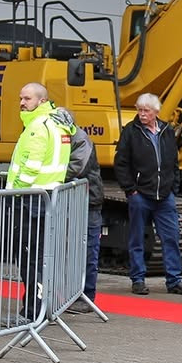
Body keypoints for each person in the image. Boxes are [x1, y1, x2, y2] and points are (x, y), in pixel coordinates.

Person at [4, 82, 72, 325]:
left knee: (29, 258)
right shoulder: (57, 124)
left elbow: (29, 168)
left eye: (28, 98)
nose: (22, 103)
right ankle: (45, 308)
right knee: (42, 256)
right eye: (21, 98)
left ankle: (32, 312)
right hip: (48, 198)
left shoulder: (37, 127)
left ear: (41, 101)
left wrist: (14, 193)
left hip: (32, 200)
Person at [114, 93, 182, 296]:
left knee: (171, 238)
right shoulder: (130, 132)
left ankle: (174, 280)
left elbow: (173, 162)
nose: (142, 114)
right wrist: (131, 190)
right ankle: (138, 279)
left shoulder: (167, 131)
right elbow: (121, 162)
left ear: (156, 112)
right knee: (137, 238)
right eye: (140, 110)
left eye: (146, 111)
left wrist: (173, 187)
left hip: (165, 195)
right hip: (140, 194)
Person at [52, 106, 105, 315]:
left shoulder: (80, 140)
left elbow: (76, 167)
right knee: (69, 250)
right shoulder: (71, 138)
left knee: (87, 249)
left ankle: (86, 295)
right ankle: (70, 294)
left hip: (87, 200)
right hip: (77, 198)